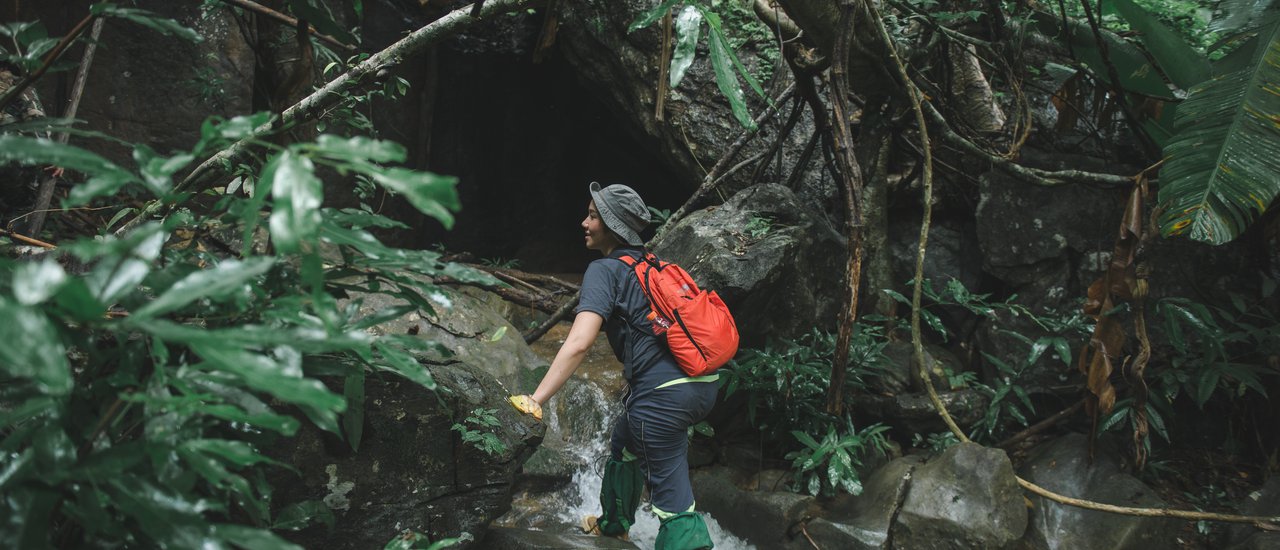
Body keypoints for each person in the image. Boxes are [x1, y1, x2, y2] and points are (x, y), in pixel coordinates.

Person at [508, 182, 718, 549]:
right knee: (623, 443)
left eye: (593, 215)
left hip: (663, 398)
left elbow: (579, 342)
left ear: (611, 224)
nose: (584, 223)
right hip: (702, 385)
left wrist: (537, 397)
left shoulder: (605, 271)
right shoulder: (654, 265)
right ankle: (614, 525)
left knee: (674, 505)